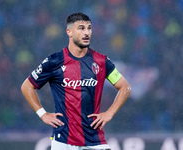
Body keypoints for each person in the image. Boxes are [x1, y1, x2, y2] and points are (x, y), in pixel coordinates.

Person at [21, 12, 131, 150]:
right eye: (81, 28)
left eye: (89, 28)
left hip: (95, 140)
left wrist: (110, 113)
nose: (87, 33)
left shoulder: (102, 61)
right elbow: (27, 86)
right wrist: (43, 114)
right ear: (69, 32)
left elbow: (125, 87)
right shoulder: (54, 61)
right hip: (63, 141)